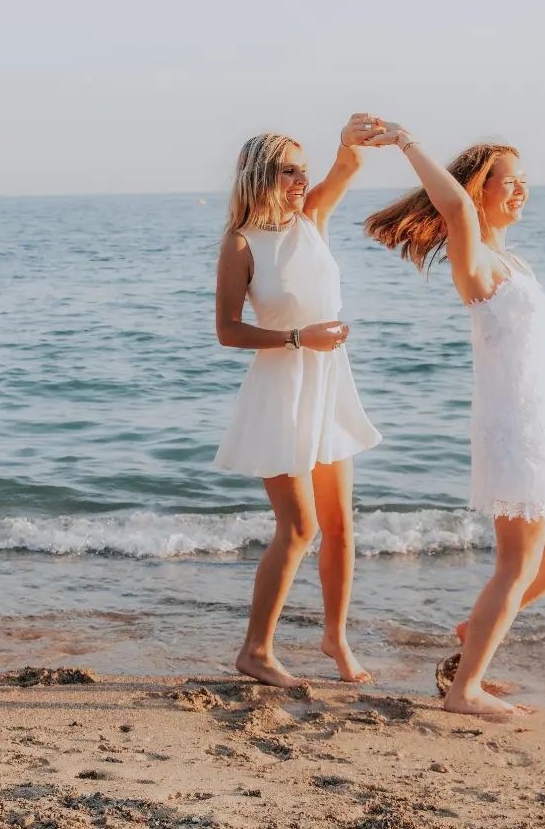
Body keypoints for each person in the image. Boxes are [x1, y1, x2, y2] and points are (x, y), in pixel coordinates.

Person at [363, 126, 545, 714]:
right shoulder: (473, 257)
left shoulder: (513, 262)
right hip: (517, 428)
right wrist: (407, 144)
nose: (520, 191)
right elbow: (454, 206)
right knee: (516, 566)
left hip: (544, 425)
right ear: (478, 189)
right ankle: (465, 690)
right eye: (508, 182)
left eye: (524, 182)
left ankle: (473, 635)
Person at [214, 115, 387, 687]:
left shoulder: (312, 217)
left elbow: (348, 166)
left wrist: (347, 141)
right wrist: (297, 338)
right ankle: (255, 651)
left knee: (340, 527)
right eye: (289, 169)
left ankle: (335, 638)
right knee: (298, 528)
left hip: (329, 384)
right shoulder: (241, 243)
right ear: (263, 173)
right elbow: (228, 331)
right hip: (282, 389)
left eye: (302, 169)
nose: (299, 179)